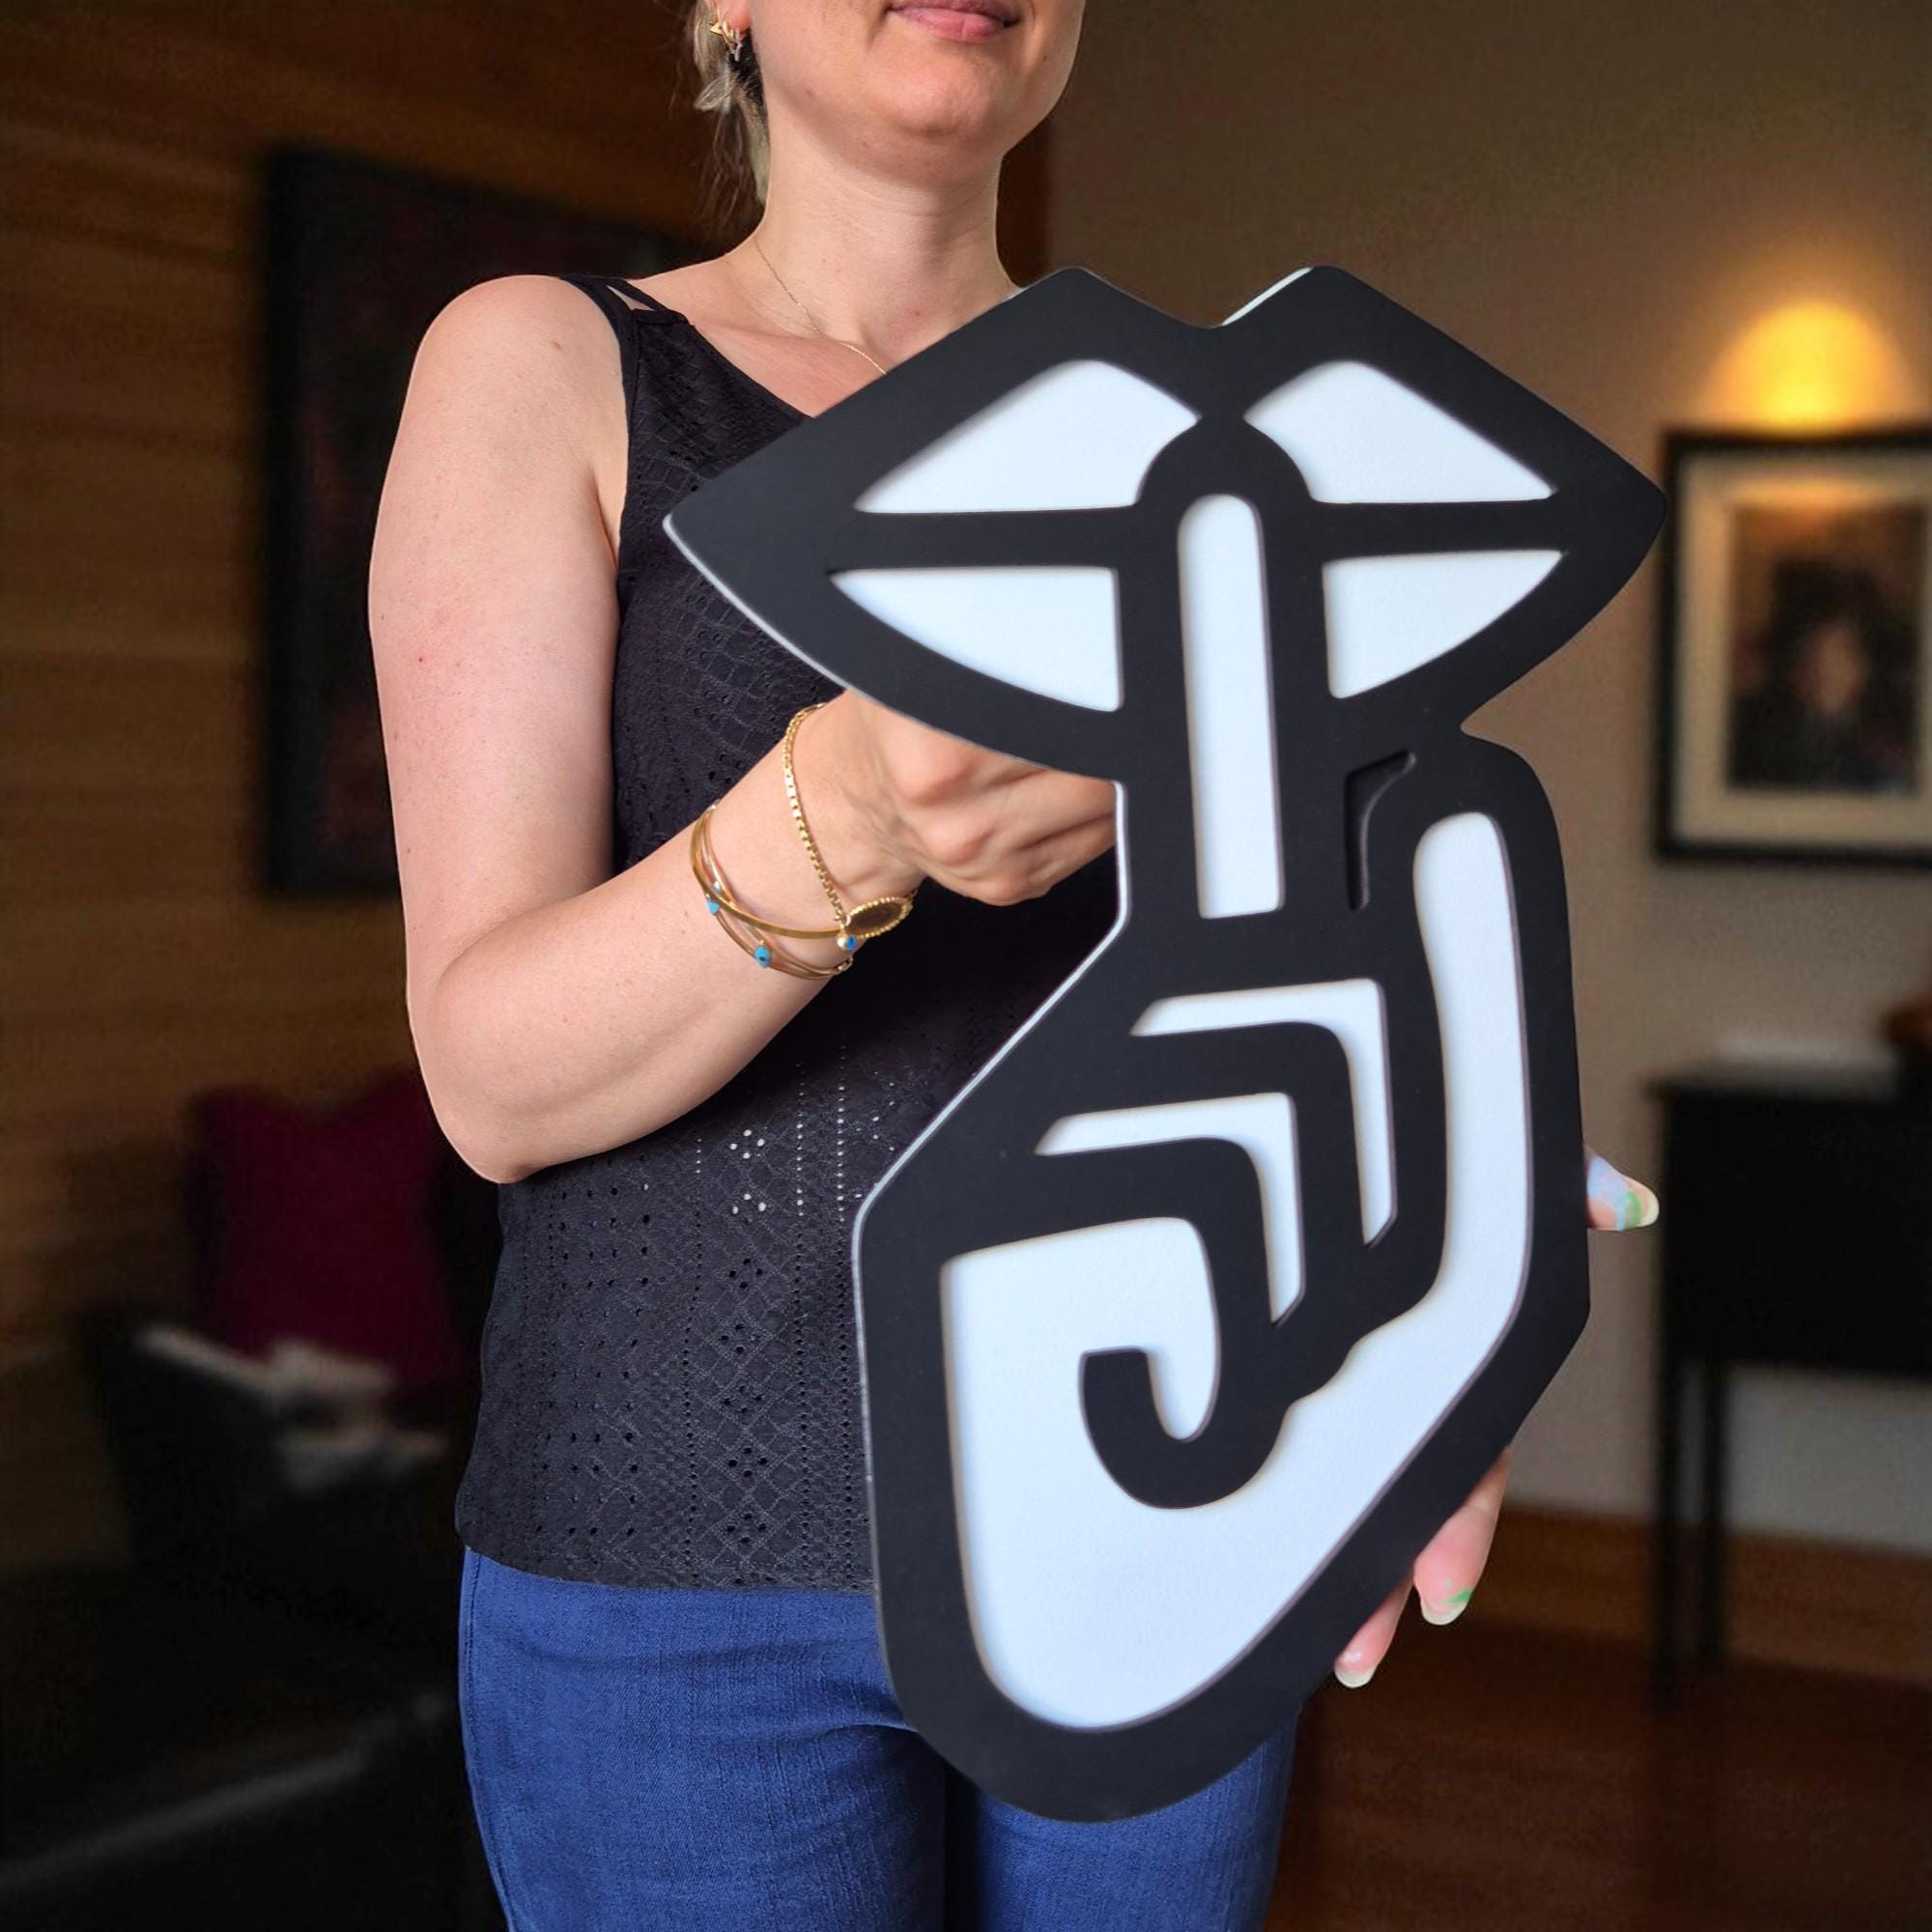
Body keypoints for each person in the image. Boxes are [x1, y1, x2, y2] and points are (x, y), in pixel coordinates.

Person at [367, 3, 1662, 1924]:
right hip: (670, 1575)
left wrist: (1456, 1307)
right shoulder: (549, 364)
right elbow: (491, 1084)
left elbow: (1365, 970)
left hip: (1176, 1529)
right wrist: (844, 815)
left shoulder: (1222, 453)